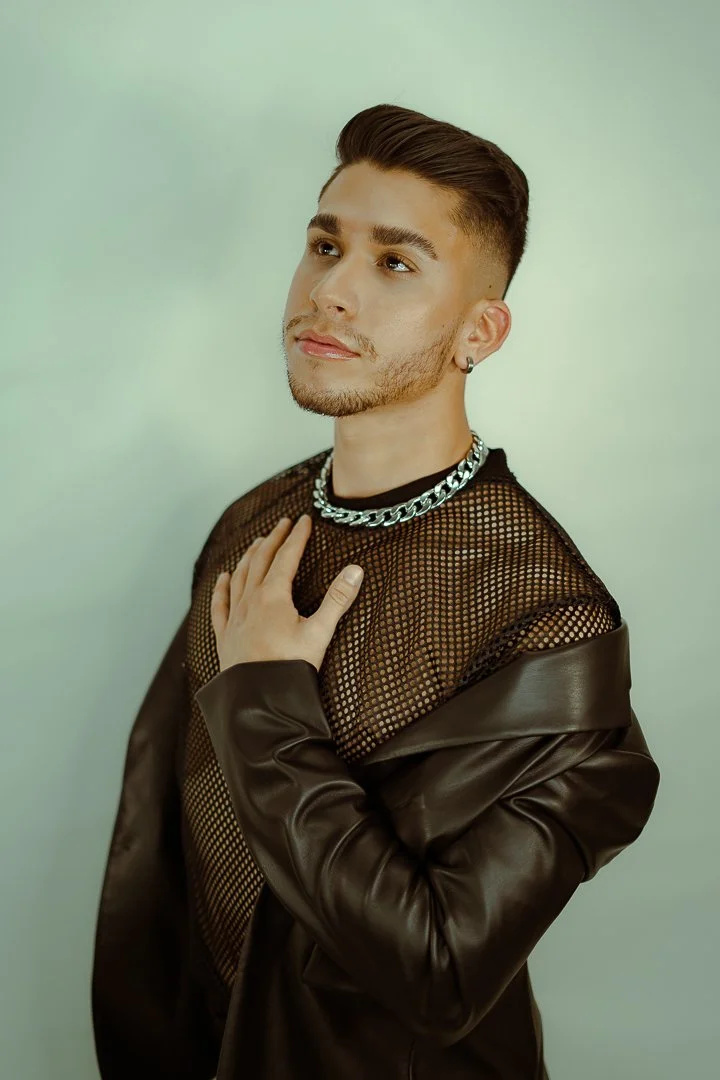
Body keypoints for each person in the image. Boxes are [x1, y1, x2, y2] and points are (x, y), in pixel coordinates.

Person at [91, 103, 660, 1080]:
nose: (331, 292)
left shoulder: (550, 626)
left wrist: (268, 706)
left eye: (395, 262)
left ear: (481, 331)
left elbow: (436, 969)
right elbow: (173, 837)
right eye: (324, 244)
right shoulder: (252, 524)